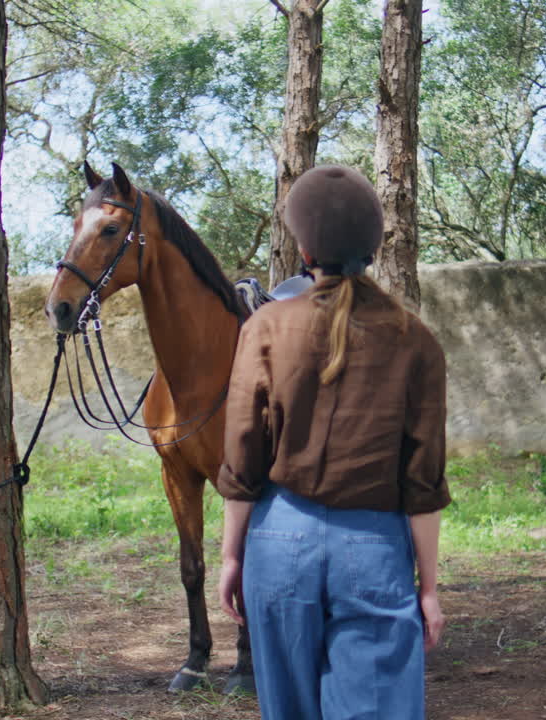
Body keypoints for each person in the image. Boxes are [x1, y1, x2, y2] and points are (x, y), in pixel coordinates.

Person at [217, 165, 450, 720]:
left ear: (303, 246)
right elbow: (422, 479)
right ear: (373, 245)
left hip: (278, 547)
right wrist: (430, 588)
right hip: (374, 550)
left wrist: (230, 556)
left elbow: (243, 452)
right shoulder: (415, 340)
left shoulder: (266, 328)